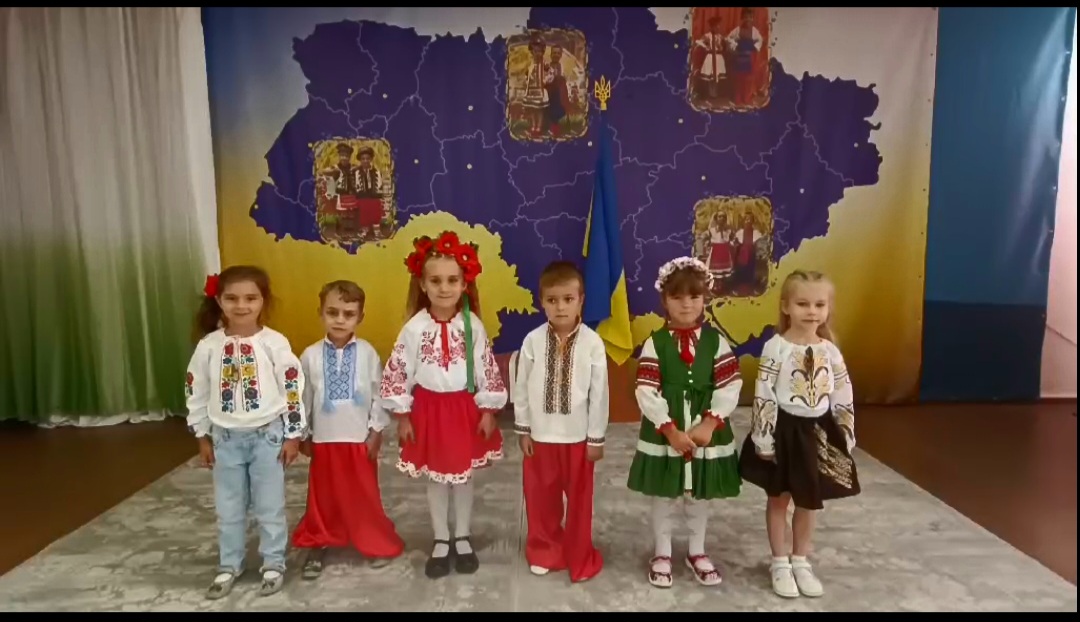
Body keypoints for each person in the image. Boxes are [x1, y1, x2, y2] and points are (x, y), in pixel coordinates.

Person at [378, 230, 507, 579]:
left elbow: (485, 367)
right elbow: (399, 369)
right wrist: (403, 416)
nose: (444, 288)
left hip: (463, 411)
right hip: (429, 412)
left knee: (463, 478)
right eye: (435, 280)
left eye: (452, 280)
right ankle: (440, 539)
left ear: (465, 284)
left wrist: (488, 410)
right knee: (436, 479)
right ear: (422, 284)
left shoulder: (472, 326)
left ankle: (462, 537)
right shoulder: (414, 328)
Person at [184, 265, 307, 599]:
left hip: (267, 437)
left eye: (251, 298)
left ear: (263, 301)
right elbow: (196, 390)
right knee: (228, 507)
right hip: (225, 440)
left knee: (269, 506)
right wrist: (202, 435)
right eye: (232, 298)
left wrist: (293, 433)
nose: (241, 305)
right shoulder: (209, 346)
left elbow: (292, 386)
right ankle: (229, 564)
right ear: (219, 301)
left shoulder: (273, 343)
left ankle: (274, 562)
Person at [738, 269, 860, 599]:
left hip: (818, 432)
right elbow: (764, 392)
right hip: (784, 431)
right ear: (786, 306)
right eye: (803, 304)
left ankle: (801, 560)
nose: (812, 312)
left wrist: (845, 433)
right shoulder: (776, 347)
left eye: (820, 305)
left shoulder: (830, 351)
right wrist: (764, 437)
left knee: (809, 501)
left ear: (828, 308)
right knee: (779, 498)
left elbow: (842, 393)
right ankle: (779, 562)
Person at [627, 256, 743, 589]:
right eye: (677, 297)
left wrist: (709, 424)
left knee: (698, 494)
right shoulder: (656, 343)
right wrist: (669, 430)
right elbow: (646, 390)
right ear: (664, 300)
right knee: (664, 493)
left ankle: (697, 550)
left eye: (694, 296)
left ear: (705, 298)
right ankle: (662, 552)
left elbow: (730, 385)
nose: (686, 304)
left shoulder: (716, 342)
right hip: (668, 431)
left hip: (704, 431)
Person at [291, 280, 404, 580]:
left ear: (360, 317)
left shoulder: (367, 354)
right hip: (324, 438)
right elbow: (303, 397)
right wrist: (303, 434)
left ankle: (372, 540)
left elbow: (379, 394)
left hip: (358, 439)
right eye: (333, 312)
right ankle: (319, 541)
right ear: (320, 313)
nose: (340, 320)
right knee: (323, 496)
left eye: (349, 314)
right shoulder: (310, 355)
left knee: (362, 494)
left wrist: (376, 431)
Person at [512, 261, 607, 583]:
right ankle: (544, 550)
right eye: (552, 300)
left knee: (580, 501)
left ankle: (579, 554)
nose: (561, 307)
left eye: (568, 299)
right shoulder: (532, 341)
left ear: (581, 300)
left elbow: (599, 394)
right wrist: (524, 429)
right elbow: (521, 388)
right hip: (540, 437)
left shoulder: (592, 343)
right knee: (541, 499)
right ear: (542, 302)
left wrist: (596, 437)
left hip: (578, 438)